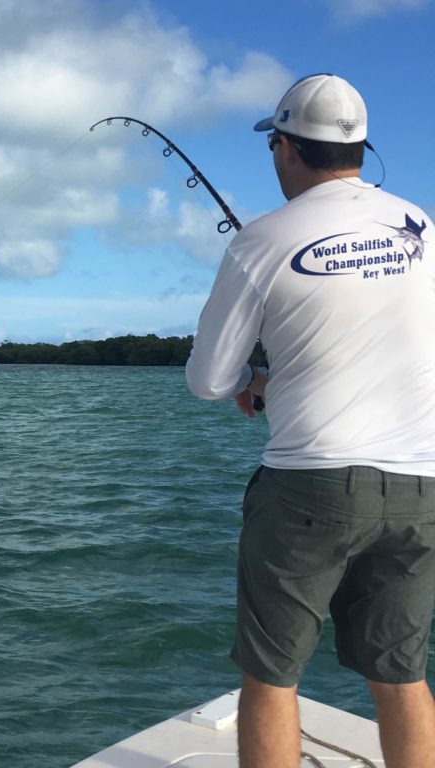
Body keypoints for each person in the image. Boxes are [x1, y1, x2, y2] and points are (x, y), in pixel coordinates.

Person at [185, 73, 435, 768]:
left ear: (287, 149)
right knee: (401, 673)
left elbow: (207, 380)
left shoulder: (262, 240)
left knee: (271, 675)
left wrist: (251, 383)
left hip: (309, 489)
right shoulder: (426, 231)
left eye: (275, 146)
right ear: (359, 149)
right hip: (422, 486)